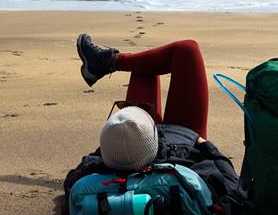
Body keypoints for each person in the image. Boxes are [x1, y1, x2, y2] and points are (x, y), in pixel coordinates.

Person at [63, 34, 240, 204]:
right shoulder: (191, 178)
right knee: (186, 50)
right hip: (182, 136)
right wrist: (203, 144)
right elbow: (231, 184)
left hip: (135, 141)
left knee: (145, 69)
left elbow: (73, 179)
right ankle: (109, 61)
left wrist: (114, 148)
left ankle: (104, 62)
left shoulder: (96, 177)